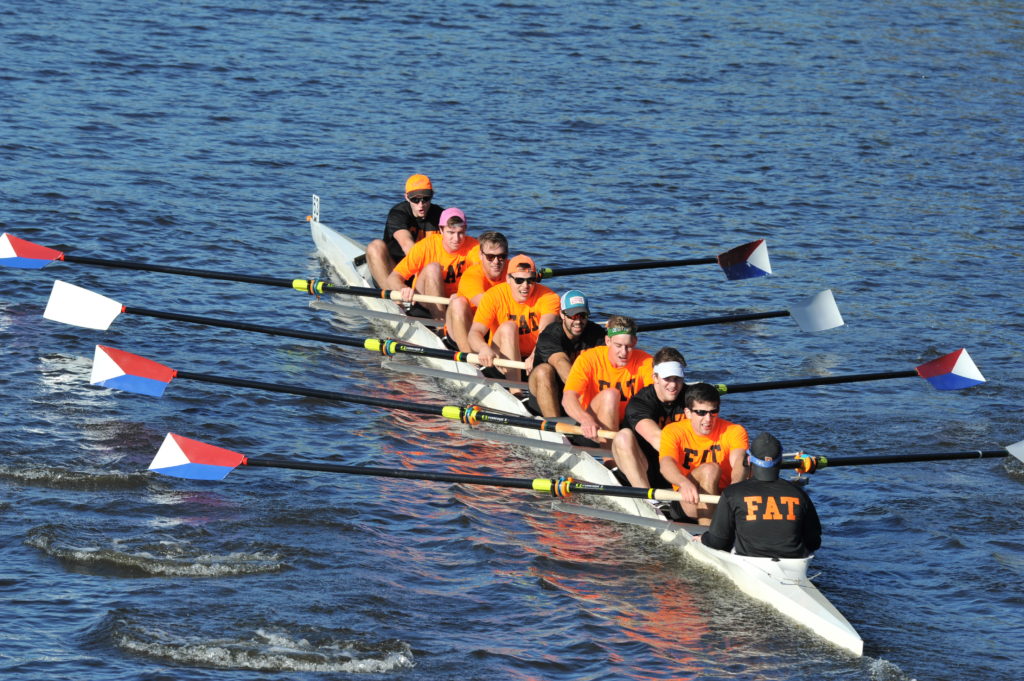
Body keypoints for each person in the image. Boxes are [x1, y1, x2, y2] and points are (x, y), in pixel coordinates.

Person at [698, 432, 822, 558]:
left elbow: (718, 542)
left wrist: (702, 538)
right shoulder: (799, 494)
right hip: (793, 563)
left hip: (749, 561)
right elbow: (814, 542)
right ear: (780, 461)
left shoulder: (732, 493)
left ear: (748, 460)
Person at [659, 382, 750, 525]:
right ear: (688, 413)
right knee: (710, 469)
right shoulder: (672, 431)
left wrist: (735, 487)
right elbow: (666, 464)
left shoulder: (735, 431)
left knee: (754, 462)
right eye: (701, 412)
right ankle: (708, 534)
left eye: (713, 412)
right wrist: (684, 483)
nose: (708, 419)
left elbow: (739, 461)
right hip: (688, 498)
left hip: (724, 497)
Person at [468, 254, 560, 384]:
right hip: (500, 360)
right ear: (508, 279)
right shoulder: (493, 296)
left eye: (530, 280)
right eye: (519, 280)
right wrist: (483, 348)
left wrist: (536, 355)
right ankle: (516, 390)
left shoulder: (549, 297)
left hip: (534, 357)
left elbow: (545, 332)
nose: (525, 286)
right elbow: (474, 332)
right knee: (508, 327)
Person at [561, 315, 653, 443]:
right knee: (611, 394)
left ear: (635, 342)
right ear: (608, 341)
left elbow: (657, 397)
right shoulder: (589, 359)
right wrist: (585, 419)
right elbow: (568, 398)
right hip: (593, 426)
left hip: (628, 424)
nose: (624, 352)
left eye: (628, 346)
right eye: (618, 345)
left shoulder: (646, 361)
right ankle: (610, 459)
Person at [610, 346, 687, 489]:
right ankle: (646, 499)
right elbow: (657, 438)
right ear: (655, 377)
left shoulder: (691, 398)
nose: (673, 385)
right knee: (623, 437)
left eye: (677, 379)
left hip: (678, 467)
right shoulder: (640, 403)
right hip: (643, 468)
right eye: (667, 379)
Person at [385, 207, 479, 320]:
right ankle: (442, 325)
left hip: (457, 301)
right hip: (425, 300)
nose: (456, 239)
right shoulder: (425, 246)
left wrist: (463, 294)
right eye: (451, 233)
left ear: (465, 230)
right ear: (441, 230)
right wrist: (403, 288)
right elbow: (393, 278)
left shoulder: (474, 247)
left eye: (460, 233)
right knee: (432, 268)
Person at [526, 289, 606, 417]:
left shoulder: (596, 333)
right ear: (562, 315)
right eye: (573, 316)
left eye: (583, 315)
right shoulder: (549, 335)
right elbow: (560, 362)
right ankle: (555, 427)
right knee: (544, 371)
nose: (578, 321)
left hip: (579, 394)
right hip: (548, 392)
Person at [366, 174, 444, 288]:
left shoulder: (441, 216)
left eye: (425, 199)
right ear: (407, 197)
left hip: (425, 272)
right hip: (395, 269)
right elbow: (407, 244)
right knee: (375, 246)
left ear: (432, 196)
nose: (421, 205)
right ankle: (390, 296)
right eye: (415, 200)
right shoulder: (398, 214)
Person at [445, 231, 509, 352]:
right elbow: (487, 305)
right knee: (458, 302)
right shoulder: (471, 275)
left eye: (501, 257)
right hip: (467, 327)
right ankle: (468, 358)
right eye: (490, 257)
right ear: (480, 255)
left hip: (491, 327)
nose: (496, 262)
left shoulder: (513, 271)